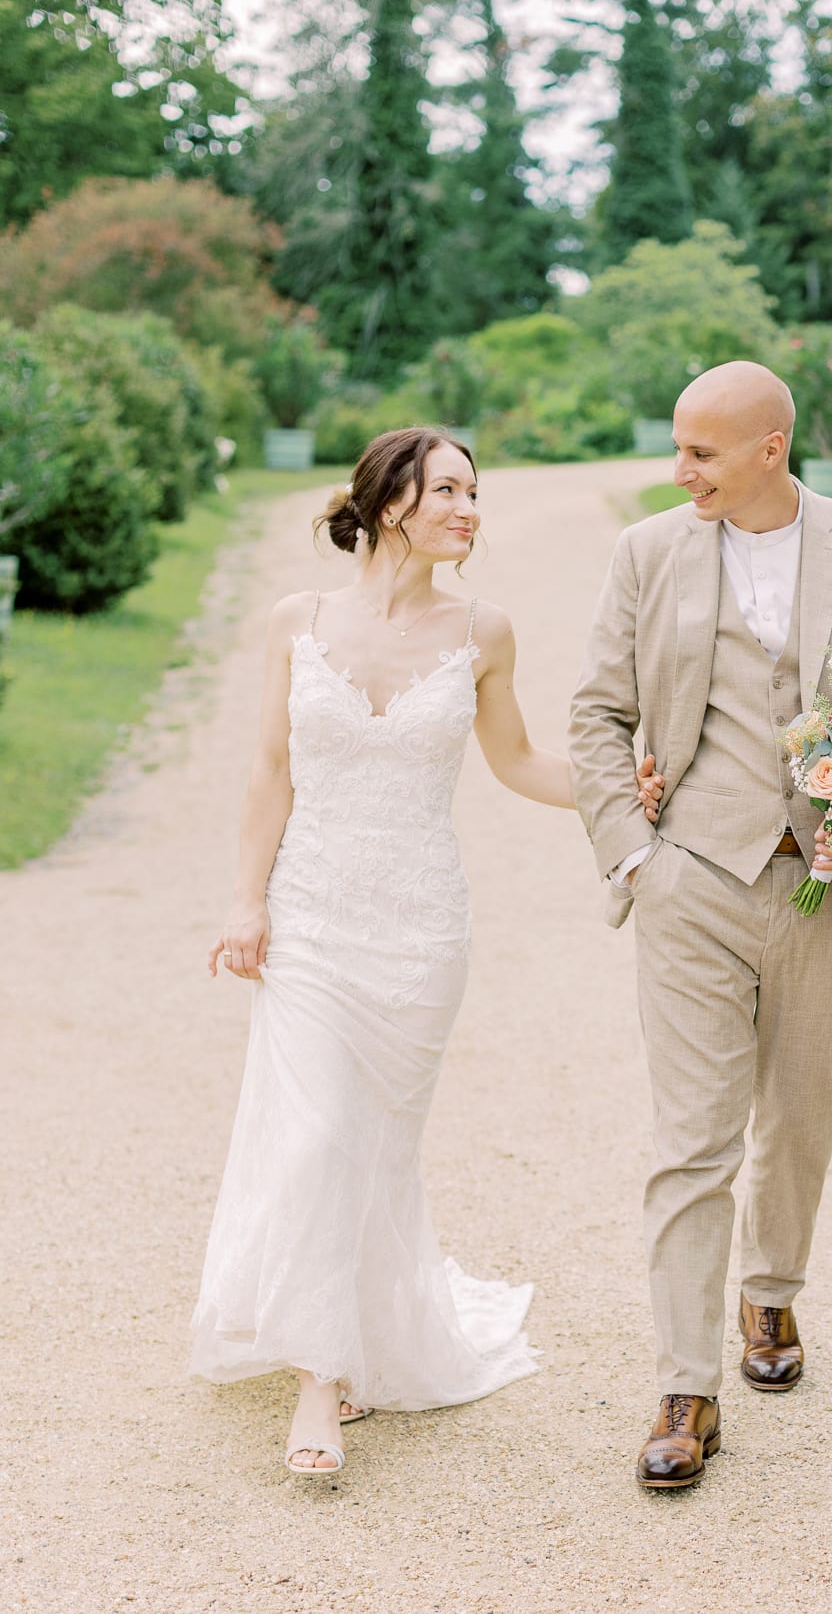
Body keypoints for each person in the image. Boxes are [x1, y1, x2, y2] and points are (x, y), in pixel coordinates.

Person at [191, 426, 658, 1478]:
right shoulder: (295, 622)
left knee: (373, 1147)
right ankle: (319, 1376)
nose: (469, 509)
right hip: (311, 914)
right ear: (390, 497)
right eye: (449, 489)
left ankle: (356, 1331)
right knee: (315, 1137)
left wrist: (624, 788)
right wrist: (242, 902)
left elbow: (520, 761)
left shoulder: (482, 631)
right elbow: (271, 769)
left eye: (475, 493)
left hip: (421, 930)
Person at [569, 362, 832, 1489]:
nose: (681, 472)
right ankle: (686, 1387)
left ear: (771, 447)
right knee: (693, 1138)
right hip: (693, 880)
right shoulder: (649, 551)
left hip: (826, 888)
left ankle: (770, 1296)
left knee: (802, 1112)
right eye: (678, 450)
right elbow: (598, 713)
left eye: (702, 453)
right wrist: (637, 852)